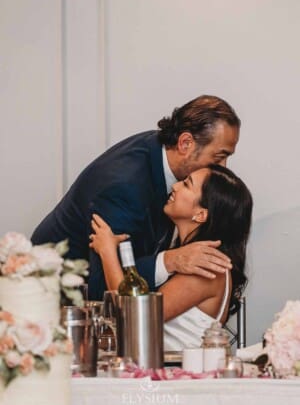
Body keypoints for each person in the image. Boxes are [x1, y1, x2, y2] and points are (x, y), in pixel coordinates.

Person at [31, 95, 240, 300]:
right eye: (219, 157)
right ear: (185, 143)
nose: (223, 169)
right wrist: (170, 261)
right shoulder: (125, 187)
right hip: (51, 293)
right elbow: (103, 287)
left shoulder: (161, 153)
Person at [89, 165, 253, 350]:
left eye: (186, 184)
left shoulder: (205, 268)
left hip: (178, 373)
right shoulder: (192, 259)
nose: (175, 186)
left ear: (201, 214)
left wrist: (107, 251)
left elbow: (133, 318)